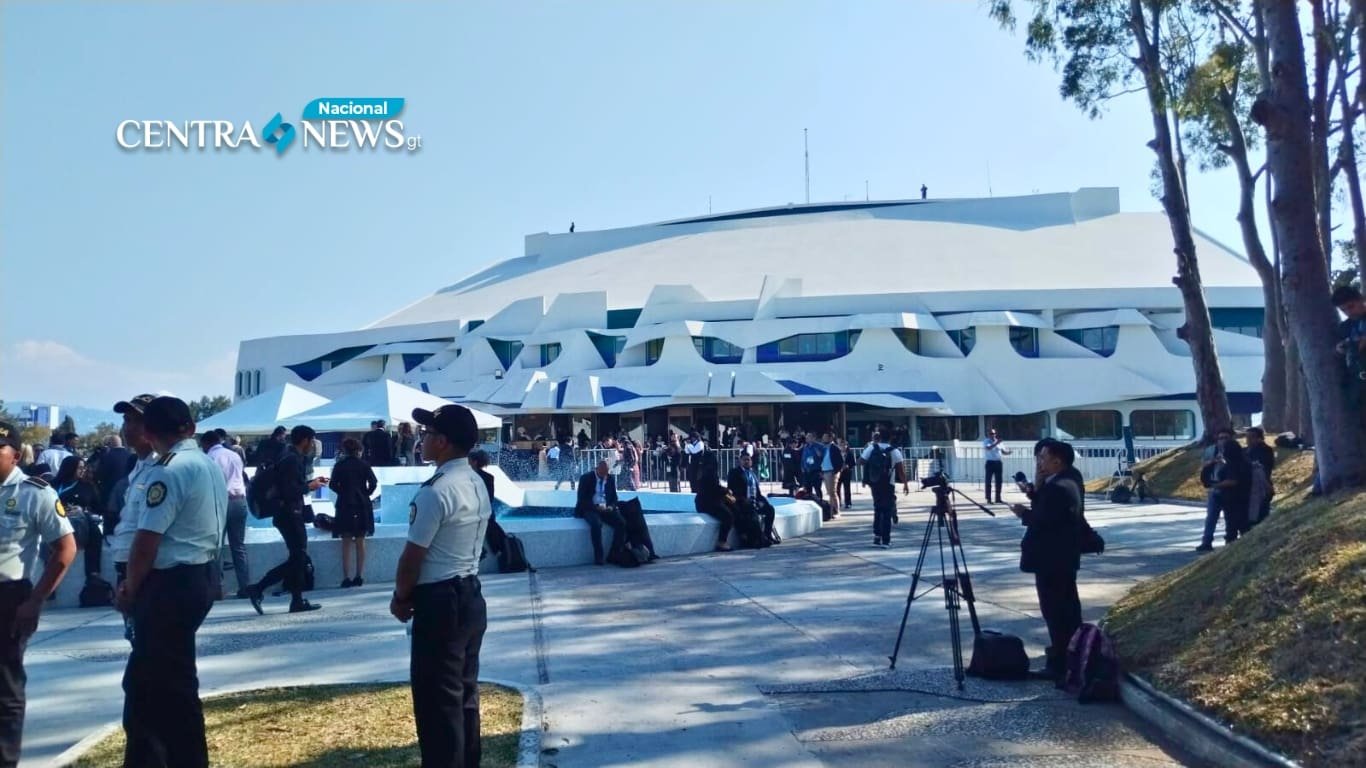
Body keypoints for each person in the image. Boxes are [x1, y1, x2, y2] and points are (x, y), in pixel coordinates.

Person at [115, 397, 227, 768]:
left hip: (169, 583)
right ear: (190, 428)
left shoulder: (168, 470)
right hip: (198, 575)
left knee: (158, 687)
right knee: (162, 682)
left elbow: (147, 541)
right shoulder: (207, 464)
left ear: (148, 432)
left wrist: (130, 588)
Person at [391, 404, 492, 768]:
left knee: (437, 709)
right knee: (464, 699)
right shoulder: (476, 481)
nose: (422, 440)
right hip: (470, 598)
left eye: (428, 434)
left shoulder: (435, 491)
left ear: (444, 442)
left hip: (440, 602)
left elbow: (411, 559)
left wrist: (401, 598)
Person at [0, 420, 76, 766]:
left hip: (9, 597)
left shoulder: (34, 492)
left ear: (15, 455)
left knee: (5, 688)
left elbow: (65, 548)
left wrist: (36, 600)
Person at [1009, 440, 1083, 682]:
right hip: (1063, 557)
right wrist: (1036, 488)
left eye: (1042, 458)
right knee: (1066, 610)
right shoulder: (1070, 478)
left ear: (1057, 460)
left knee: (1056, 611)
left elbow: (1043, 519)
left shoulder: (1059, 487)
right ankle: (1069, 657)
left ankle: (1060, 662)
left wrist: (1023, 513)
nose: (1038, 463)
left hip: (1053, 559)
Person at [247, 426, 326, 614]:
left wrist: (308, 484)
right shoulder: (292, 460)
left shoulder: (287, 456)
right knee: (298, 556)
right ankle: (259, 588)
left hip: (287, 514)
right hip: (290, 514)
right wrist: (310, 487)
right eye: (312, 441)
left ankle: (295, 599)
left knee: (297, 557)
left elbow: (289, 486)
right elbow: (289, 491)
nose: (313, 446)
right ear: (305, 440)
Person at [201, 429, 250, 598]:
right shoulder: (234, 454)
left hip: (221, 502)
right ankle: (245, 586)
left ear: (206, 444)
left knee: (217, 547)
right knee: (239, 546)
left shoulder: (209, 458)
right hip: (240, 500)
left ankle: (218, 588)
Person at [330, 438, 377, 587]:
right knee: (360, 540)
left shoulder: (340, 465)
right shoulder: (364, 465)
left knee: (346, 541)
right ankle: (359, 576)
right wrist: (365, 493)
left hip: (345, 504)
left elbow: (332, 484)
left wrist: (342, 492)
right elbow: (373, 482)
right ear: (358, 450)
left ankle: (346, 577)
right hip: (362, 504)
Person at [54, 456, 103, 580]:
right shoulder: (53, 484)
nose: (82, 470)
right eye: (79, 468)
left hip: (79, 522)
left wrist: (83, 510)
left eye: (83, 468)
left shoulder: (86, 486)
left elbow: (98, 508)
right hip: (55, 520)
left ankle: (93, 573)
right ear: (70, 469)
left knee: (95, 531)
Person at [575, 460, 626, 565]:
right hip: (590, 508)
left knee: (621, 523)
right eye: (602, 473)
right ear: (597, 469)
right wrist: (596, 508)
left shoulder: (610, 479)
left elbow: (614, 498)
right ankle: (599, 556)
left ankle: (614, 553)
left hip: (605, 508)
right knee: (596, 524)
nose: (604, 476)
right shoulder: (586, 478)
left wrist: (611, 507)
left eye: (606, 473)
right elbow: (582, 499)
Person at [1196, 429, 1239, 552]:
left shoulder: (1234, 450)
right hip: (1214, 486)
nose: (1222, 440)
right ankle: (1206, 541)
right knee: (1211, 517)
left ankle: (1230, 540)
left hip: (1229, 489)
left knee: (1229, 516)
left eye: (1226, 438)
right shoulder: (1211, 450)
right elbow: (1203, 465)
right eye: (1220, 438)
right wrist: (1213, 461)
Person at [862, 431, 906, 548]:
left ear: (878, 438)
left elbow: (861, 461)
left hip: (875, 482)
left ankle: (877, 536)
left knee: (877, 508)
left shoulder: (871, 448)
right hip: (888, 483)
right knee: (887, 511)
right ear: (890, 438)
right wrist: (905, 484)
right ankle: (886, 540)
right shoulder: (895, 451)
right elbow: (901, 471)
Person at [727, 452, 777, 545]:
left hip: (754, 502)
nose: (746, 461)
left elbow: (758, 493)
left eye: (748, 460)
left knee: (770, 509)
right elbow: (732, 490)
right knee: (752, 514)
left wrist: (763, 502)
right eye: (744, 459)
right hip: (742, 503)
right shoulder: (734, 472)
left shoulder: (753, 474)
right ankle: (760, 539)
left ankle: (768, 534)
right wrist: (744, 500)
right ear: (740, 461)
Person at [1245, 427, 1276, 526]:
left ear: (1259, 438)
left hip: (1262, 487)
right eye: (1247, 437)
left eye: (1251, 437)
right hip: (1248, 488)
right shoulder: (1245, 450)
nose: (1248, 440)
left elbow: (1263, 468)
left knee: (1261, 518)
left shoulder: (1265, 450)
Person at [982, 428, 1012, 504]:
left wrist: (1008, 452)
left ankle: (998, 498)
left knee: (999, 481)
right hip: (990, 463)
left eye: (994, 433)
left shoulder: (999, 442)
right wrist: (996, 443)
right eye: (991, 434)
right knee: (988, 481)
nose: (993, 435)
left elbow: (1003, 451)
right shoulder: (986, 441)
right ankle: (988, 499)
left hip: (998, 463)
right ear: (988, 434)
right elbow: (988, 448)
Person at [820, 432, 844, 518]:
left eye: (825, 437)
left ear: (830, 438)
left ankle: (837, 511)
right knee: (829, 492)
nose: (823, 439)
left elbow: (840, 461)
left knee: (832, 492)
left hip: (832, 471)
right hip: (825, 471)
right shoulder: (823, 448)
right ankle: (831, 511)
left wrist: (836, 471)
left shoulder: (835, 448)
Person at [839, 439, 858, 509]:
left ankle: (848, 502)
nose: (843, 447)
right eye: (841, 445)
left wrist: (848, 466)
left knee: (847, 488)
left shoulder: (849, 453)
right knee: (837, 488)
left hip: (847, 472)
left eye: (844, 445)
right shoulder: (838, 453)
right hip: (839, 472)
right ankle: (839, 502)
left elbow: (853, 463)